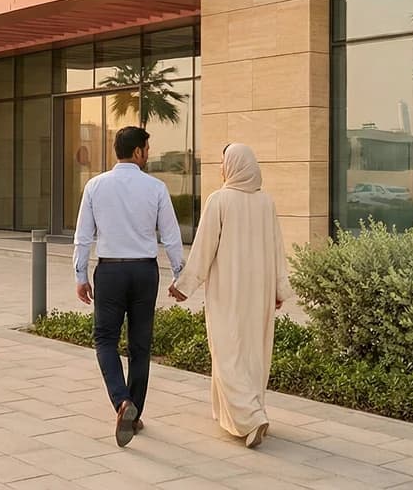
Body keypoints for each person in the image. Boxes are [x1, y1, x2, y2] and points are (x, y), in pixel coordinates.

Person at [168, 143, 295, 449]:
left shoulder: (219, 200)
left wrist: (184, 285)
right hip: (260, 293)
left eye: (225, 163)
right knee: (251, 353)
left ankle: (250, 417)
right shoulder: (266, 202)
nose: (222, 169)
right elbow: (278, 249)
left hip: (229, 291)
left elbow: (203, 249)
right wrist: (279, 289)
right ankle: (232, 412)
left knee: (227, 352)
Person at [74, 126, 184, 448]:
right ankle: (133, 415)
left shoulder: (95, 186)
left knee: (105, 340)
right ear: (137, 152)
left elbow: (83, 237)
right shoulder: (156, 188)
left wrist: (80, 276)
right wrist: (180, 275)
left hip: (110, 272)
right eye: (147, 149)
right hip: (144, 272)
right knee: (140, 344)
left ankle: (121, 401)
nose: (149, 154)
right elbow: (171, 236)